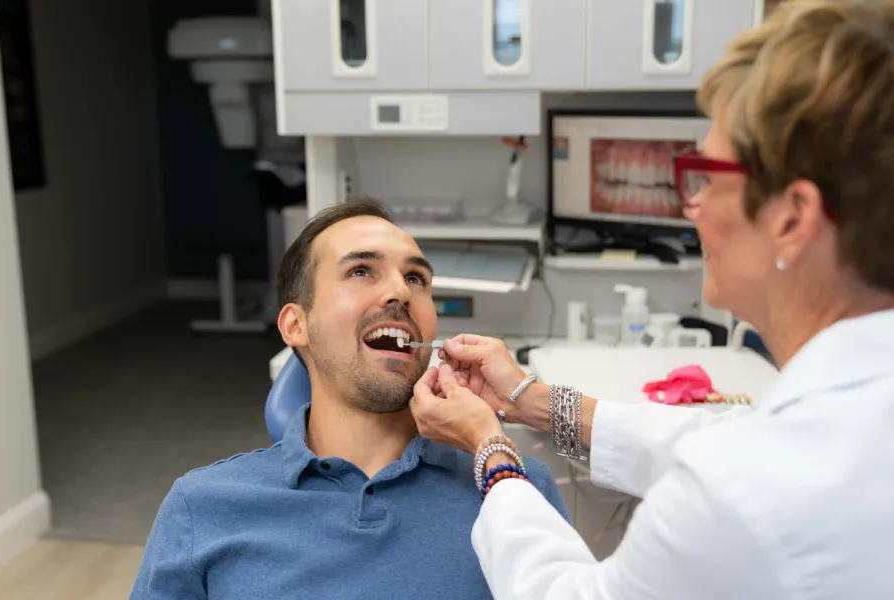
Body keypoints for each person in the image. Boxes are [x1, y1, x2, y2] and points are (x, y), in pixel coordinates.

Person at [411, 1, 894, 598]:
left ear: (791, 219)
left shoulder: (747, 492)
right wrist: (527, 398)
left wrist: (491, 451)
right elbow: (713, 440)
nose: (690, 207)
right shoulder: (841, 421)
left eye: (705, 178)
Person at [130, 199, 567, 599]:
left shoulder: (512, 487)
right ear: (295, 326)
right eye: (360, 271)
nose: (400, 291)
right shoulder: (202, 507)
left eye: (416, 278)